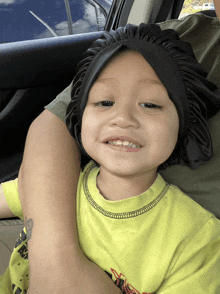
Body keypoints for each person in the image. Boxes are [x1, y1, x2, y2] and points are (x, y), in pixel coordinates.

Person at [1, 22, 220, 294]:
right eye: (105, 102)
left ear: (186, 126)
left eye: (150, 105)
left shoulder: (195, 239)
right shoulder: (58, 185)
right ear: (79, 115)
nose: (123, 118)